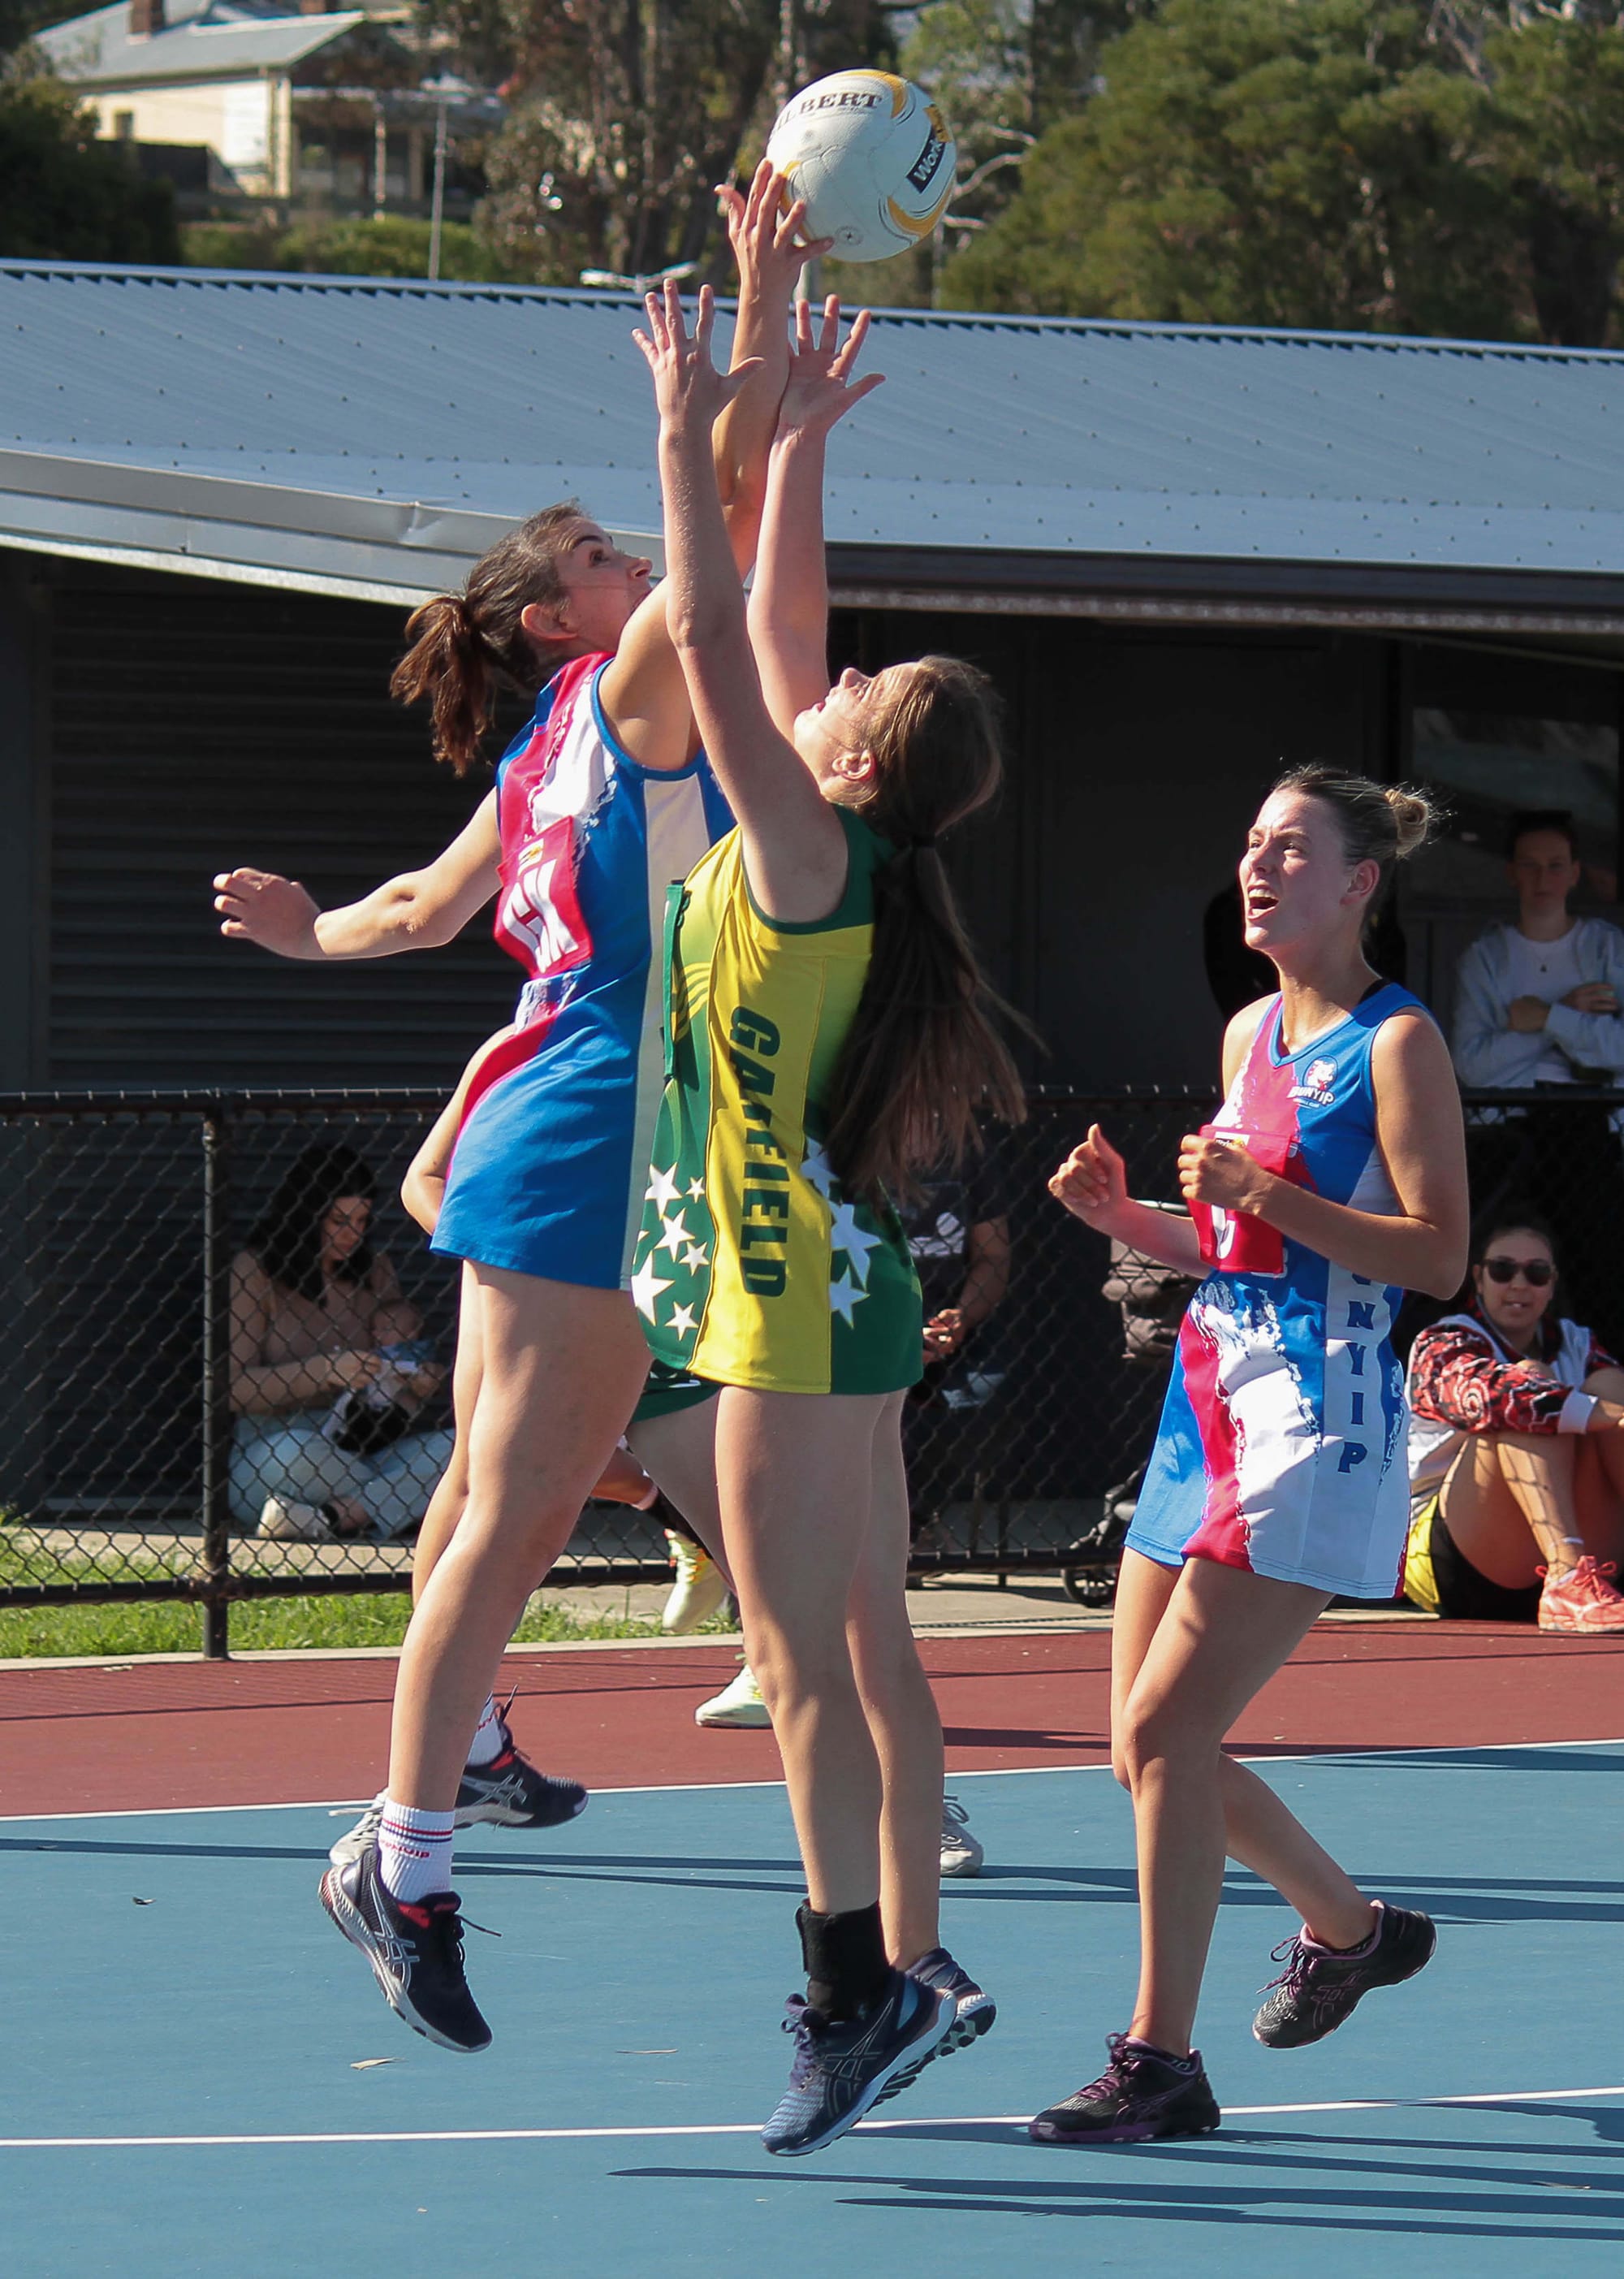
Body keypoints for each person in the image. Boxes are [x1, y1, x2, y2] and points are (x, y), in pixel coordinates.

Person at [214, 171, 820, 2056]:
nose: (631, 564)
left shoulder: (560, 741)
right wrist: (747, 333)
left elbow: (422, 904)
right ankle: (405, 1845)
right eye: (600, 554)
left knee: (522, 1491)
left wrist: (318, 938)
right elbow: (718, 537)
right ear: (567, 605)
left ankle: (443, 1814)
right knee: (527, 1494)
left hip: (591, 1110)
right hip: (595, 1117)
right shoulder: (628, 694)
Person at [628, 283, 1024, 2155]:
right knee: (867, 1649)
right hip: (843, 1298)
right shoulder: (844, 839)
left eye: (859, 693)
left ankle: (851, 1982)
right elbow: (777, 629)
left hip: (787, 1305)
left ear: (860, 754)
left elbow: (711, 631)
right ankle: (922, 1961)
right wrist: (789, 437)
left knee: (796, 1660)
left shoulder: (803, 851)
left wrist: (679, 428)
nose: (835, 678)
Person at [1043, 764, 1468, 2145]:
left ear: (1360, 884)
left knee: (1169, 1734)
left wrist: (1266, 1192)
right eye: (1250, 845)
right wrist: (1134, 1216)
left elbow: (1438, 1255)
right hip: (1206, 1402)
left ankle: (1159, 2060)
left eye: (1293, 849)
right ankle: (1348, 1930)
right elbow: (1235, 1243)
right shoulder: (1246, 1035)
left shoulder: (1397, 1044)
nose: (1259, 867)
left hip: (1316, 1420)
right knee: (1141, 1749)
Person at [1404, 1213, 1624, 1633]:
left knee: (1611, 1385)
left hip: (1592, 1554)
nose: (1520, 1285)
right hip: (1459, 1557)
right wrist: (1606, 1417)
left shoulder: (1578, 1342)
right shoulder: (1444, 1340)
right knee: (1527, 1387)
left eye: (1537, 1273)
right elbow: (1491, 1397)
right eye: (1504, 1270)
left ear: (1553, 1283)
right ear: (1479, 1278)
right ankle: (1566, 1576)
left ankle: (1580, 1578)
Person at [230, 1145, 453, 1543]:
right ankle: (404, 1504)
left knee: (463, 1447)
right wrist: (322, 1373)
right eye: (338, 1221)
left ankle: (333, 1517)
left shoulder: (375, 1270)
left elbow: (400, 1357)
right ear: (306, 1215)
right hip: (279, 1450)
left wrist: (417, 1383)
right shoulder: (255, 1271)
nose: (353, 1234)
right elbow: (233, 1390)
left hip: (365, 1448)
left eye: (363, 1221)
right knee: (293, 1454)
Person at [1453, 811, 1624, 1094]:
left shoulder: (1610, 949)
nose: (1543, 878)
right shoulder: (1484, 959)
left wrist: (1549, 1017)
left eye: (1555, 866)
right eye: (1530, 865)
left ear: (1574, 873)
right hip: (1509, 1120)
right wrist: (1562, 1018)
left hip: (1600, 1118)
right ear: (1512, 873)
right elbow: (1471, 1066)